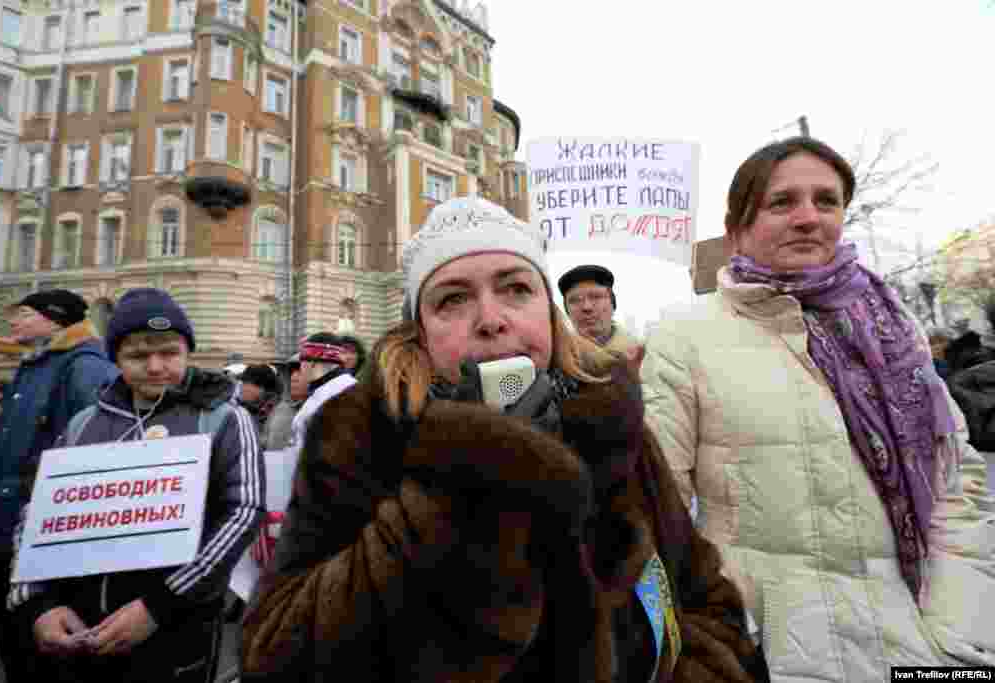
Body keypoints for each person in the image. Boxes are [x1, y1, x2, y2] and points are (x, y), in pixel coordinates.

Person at [240, 196, 767, 682]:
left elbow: (702, 596)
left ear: (548, 311)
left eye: (516, 288)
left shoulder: (611, 419)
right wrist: (463, 487)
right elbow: (275, 654)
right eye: (452, 299)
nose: (491, 319)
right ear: (419, 329)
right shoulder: (359, 434)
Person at [642, 136, 995, 681]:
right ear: (738, 227)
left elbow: (957, 487)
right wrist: (721, 644)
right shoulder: (685, 334)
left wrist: (959, 635)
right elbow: (659, 510)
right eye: (782, 202)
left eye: (826, 201)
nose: (808, 217)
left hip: (920, 647)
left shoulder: (895, 329)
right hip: (769, 657)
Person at [7, 287, 266, 683]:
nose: (156, 366)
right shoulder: (85, 422)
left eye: (169, 352)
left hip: (175, 627)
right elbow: (37, 509)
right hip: (79, 624)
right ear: (116, 359)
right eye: (138, 355)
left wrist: (159, 606)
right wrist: (37, 602)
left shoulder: (224, 418)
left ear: (187, 352)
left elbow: (243, 511)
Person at [0, 289, 120, 682]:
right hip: (7, 525)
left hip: (44, 530)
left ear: (56, 320)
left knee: (37, 650)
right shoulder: (37, 363)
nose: (13, 321)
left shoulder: (83, 367)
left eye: (23, 314)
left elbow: (93, 454)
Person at [558, 264, 642, 358]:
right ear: (567, 311)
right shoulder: (557, 358)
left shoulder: (643, 356)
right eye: (575, 300)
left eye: (596, 297)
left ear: (612, 304)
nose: (586, 307)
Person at [288, 339, 357, 454]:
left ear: (312, 363)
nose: (300, 370)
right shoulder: (353, 387)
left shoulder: (331, 396)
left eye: (301, 363)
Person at [237, 364, 281, 447]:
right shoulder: (249, 408)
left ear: (260, 387)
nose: (242, 388)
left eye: (245, 383)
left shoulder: (275, 412)